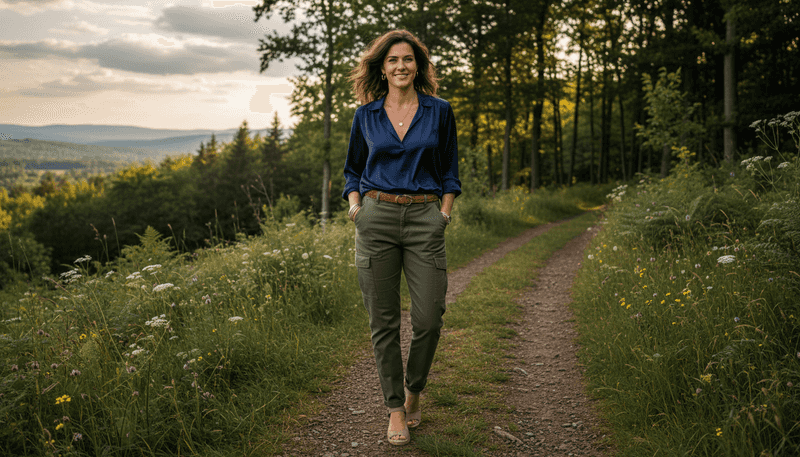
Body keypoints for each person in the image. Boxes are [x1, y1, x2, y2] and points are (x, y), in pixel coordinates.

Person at [342, 29, 461, 446]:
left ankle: (414, 390)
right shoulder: (366, 115)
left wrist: (443, 214)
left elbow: (450, 170)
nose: (400, 66)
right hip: (374, 218)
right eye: (392, 60)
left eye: (407, 59)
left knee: (428, 318)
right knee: (384, 322)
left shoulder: (439, 111)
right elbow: (351, 170)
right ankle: (395, 407)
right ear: (381, 67)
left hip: (425, 218)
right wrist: (356, 206)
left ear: (418, 66)